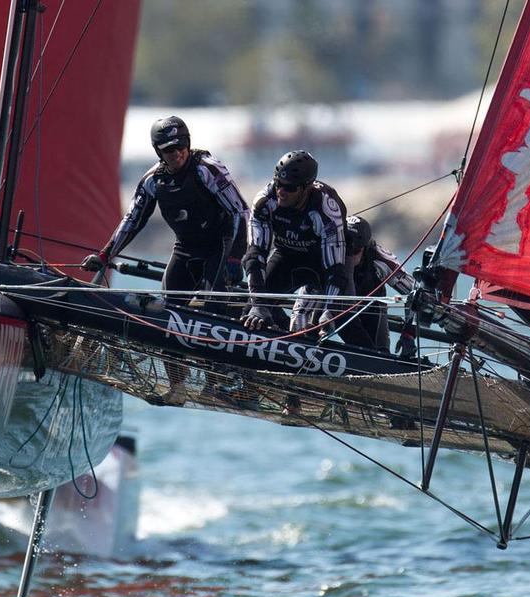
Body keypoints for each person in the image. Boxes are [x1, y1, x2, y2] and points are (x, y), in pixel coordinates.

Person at [82, 115, 249, 404]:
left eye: (181, 146)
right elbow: (132, 220)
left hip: (218, 248)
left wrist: (234, 261)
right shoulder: (153, 181)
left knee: (207, 312)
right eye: (169, 150)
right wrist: (105, 254)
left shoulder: (208, 170)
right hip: (185, 249)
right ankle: (178, 387)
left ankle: (216, 385)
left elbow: (241, 213)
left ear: (188, 143)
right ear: (159, 152)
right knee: (167, 315)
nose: (177, 153)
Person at [240, 150, 348, 336]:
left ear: (307, 188)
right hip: (285, 257)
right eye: (278, 184)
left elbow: (335, 268)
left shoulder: (326, 210)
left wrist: (329, 311)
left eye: (289, 188)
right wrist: (258, 305)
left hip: (320, 265)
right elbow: (255, 255)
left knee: (320, 324)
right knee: (250, 313)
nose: (281, 191)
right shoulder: (265, 201)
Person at [341, 215, 417, 355]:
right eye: (345, 249)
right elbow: (308, 291)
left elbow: (416, 294)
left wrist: (409, 334)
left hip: (371, 311)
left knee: (380, 353)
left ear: (364, 248)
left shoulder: (380, 260)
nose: (348, 256)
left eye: (355, 251)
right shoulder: (329, 249)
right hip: (334, 309)